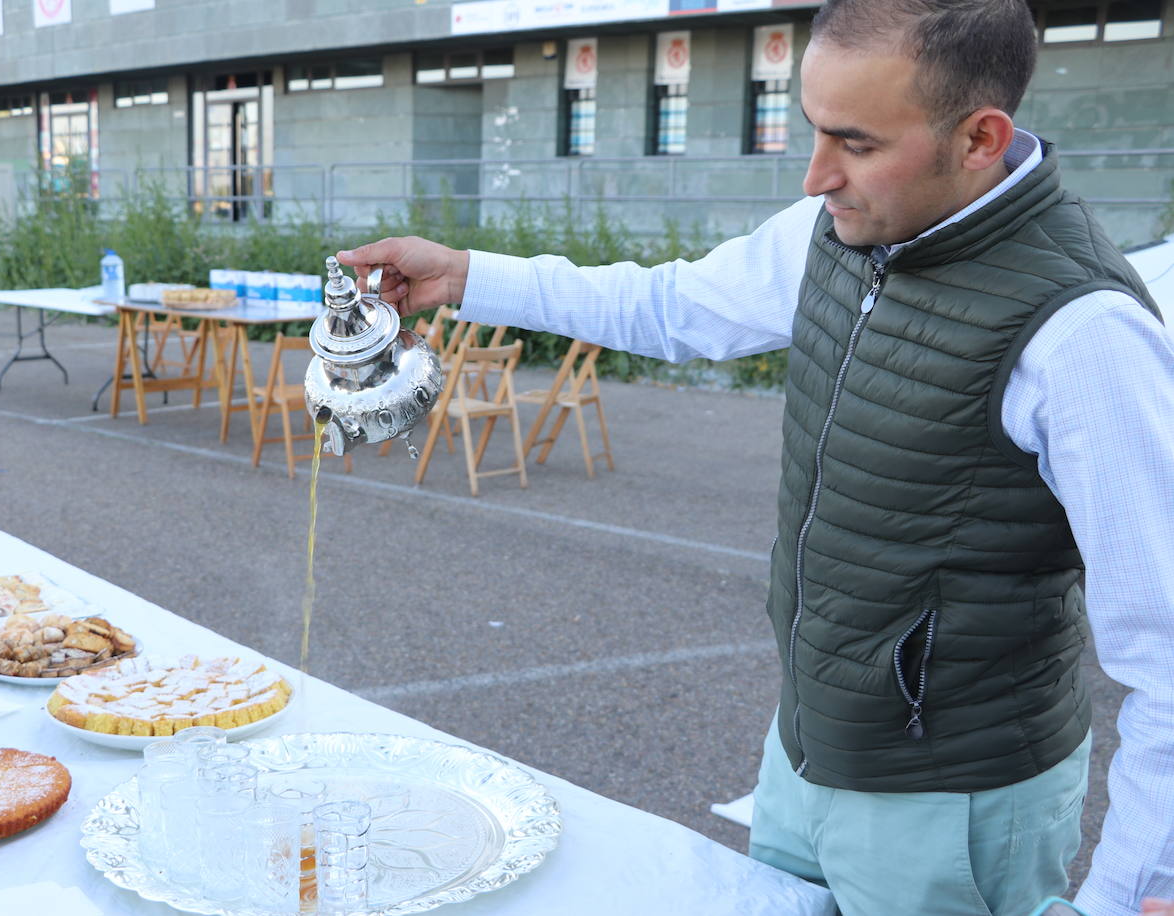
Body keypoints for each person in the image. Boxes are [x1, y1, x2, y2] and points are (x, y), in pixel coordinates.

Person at [337, 1, 1174, 914]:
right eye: (813, 130)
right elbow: (671, 307)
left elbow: (1166, 655)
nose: (817, 176)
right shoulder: (842, 227)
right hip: (805, 756)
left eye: (854, 142)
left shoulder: (1085, 335)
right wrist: (466, 273)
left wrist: (1127, 894)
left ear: (980, 138)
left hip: (952, 803)